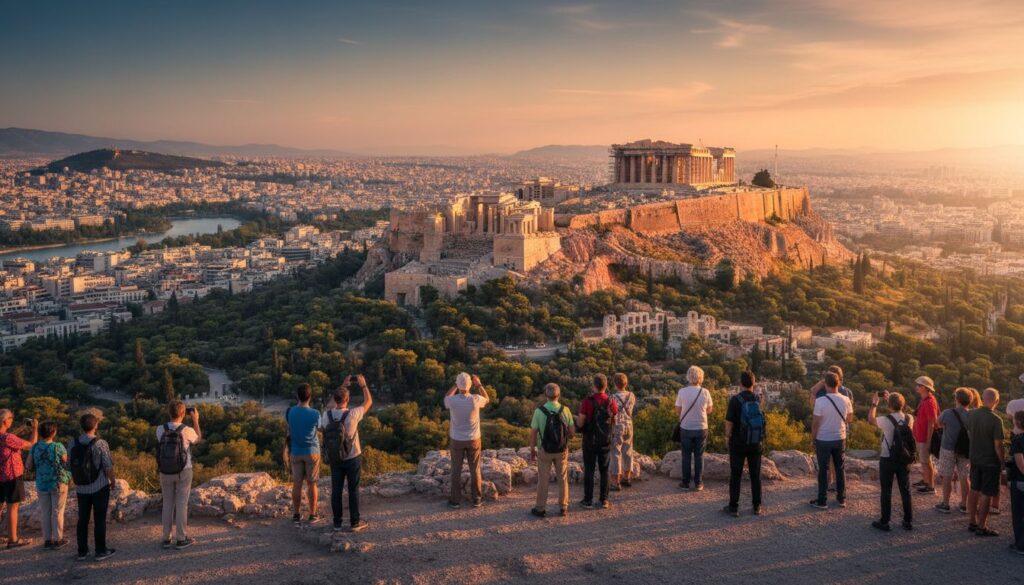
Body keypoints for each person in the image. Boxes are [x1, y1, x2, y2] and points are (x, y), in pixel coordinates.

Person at [320, 375, 371, 532]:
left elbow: (328, 407)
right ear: (347, 400)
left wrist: (343, 386)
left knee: (336, 490)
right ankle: (355, 522)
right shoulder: (353, 414)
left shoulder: (326, 416)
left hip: (335, 457)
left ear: (335, 400)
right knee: (353, 489)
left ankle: (337, 523)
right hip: (352, 456)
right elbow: (368, 402)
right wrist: (363, 385)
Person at [69, 411, 116, 561]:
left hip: (81, 488)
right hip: (99, 486)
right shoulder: (101, 443)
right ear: (96, 425)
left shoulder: (72, 443)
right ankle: (100, 551)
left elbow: (69, 465)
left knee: (82, 518)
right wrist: (113, 481)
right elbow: (108, 466)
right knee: (99, 519)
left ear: (81, 426)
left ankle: (82, 551)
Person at [155, 400, 201, 549]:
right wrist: (195, 420)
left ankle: (165, 538)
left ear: (169, 413)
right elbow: (198, 439)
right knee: (181, 504)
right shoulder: (187, 430)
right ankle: (181, 538)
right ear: (183, 414)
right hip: (183, 471)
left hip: (165, 471)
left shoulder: (159, 429)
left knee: (168, 503)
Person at [869, 391, 914, 531]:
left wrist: (874, 403)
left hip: (887, 458)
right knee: (905, 490)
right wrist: (893, 401)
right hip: (904, 458)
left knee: (886, 490)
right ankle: (907, 521)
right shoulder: (909, 418)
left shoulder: (885, 420)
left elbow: (871, 419)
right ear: (903, 404)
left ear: (889, 406)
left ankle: (885, 522)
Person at [528, 383, 575, 518]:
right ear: (558, 395)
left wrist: (532, 448)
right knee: (562, 478)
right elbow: (572, 433)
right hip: (561, 450)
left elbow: (533, 432)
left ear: (546, 395)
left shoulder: (539, 411)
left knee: (543, 479)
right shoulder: (565, 410)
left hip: (544, 450)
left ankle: (540, 508)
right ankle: (563, 507)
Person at [723, 371, 765, 517]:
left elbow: (729, 422)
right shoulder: (758, 399)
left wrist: (727, 437)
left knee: (736, 474)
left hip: (738, 443)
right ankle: (757, 506)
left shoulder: (735, 400)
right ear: (754, 383)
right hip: (755, 442)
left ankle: (734, 507)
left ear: (740, 383)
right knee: (755, 475)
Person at [444, 372, 489, 509]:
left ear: (458, 385)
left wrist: (455, 385)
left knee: (456, 469)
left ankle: (455, 501)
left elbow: (446, 397)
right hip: (474, 439)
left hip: (456, 439)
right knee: (475, 468)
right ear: (470, 385)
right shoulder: (476, 399)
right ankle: (477, 499)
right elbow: (487, 398)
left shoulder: (452, 401)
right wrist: (479, 384)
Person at [810, 372, 852, 509]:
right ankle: (842, 499)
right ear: (838, 384)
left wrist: (813, 438)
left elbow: (816, 422)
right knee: (840, 468)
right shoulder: (846, 399)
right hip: (840, 438)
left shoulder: (820, 401)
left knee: (823, 469)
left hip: (823, 438)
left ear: (826, 384)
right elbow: (849, 419)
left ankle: (822, 501)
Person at [966, 387, 1005, 537]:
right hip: (990, 461)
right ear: (996, 401)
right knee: (987, 493)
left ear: (982, 398)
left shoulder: (971, 415)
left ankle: (972, 522)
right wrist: (1002, 461)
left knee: (974, 489)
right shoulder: (996, 420)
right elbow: (998, 445)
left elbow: (969, 433)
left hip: (975, 458)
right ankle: (982, 526)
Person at [576, 374, 618, 509]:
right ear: (605, 386)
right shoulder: (611, 402)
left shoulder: (587, 402)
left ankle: (588, 500)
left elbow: (581, 421)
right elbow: (613, 418)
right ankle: (604, 500)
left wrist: (578, 425)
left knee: (589, 469)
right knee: (604, 470)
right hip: (605, 440)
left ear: (593, 386)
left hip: (590, 440)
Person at [26, 420, 70, 549]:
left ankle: (47, 540)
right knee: (57, 511)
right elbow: (66, 463)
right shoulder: (58, 446)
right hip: (57, 483)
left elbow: (28, 465)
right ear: (53, 433)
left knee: (45, 512)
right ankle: (58, 540)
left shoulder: (34, 447)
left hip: (41, 483)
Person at [0, 410, 38, 550]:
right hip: (11, 475)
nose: (12, 420)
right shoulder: (7, 438)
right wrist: (34, 429)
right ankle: (13, 539)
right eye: (11, 418)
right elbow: (31, 444)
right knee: (13, 507)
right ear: (5, 421)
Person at [285, 383, 321, 524]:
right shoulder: (315, 413)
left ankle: (296, 514)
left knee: (297, 483)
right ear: (310, 397)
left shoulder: (290, 412)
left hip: (295, 451)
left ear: (297, 396)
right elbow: (321, 428)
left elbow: (288, 427)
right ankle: (312, 514)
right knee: (312, 484)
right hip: (312, 451)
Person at [675, 366, 713, 491]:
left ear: (688, 377)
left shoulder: (682, 392)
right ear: (701, 378)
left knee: (685, 455)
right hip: (701, 427)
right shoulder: (705, 392)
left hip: (685, 427)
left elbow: (678, 410)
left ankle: (685, 483)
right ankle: (698, 483)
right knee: (699, 456)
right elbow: (709, 410)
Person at [935, 388, 972, 513]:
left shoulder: (948, 413)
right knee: (964, 476)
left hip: (948, 448)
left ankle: (945, 504)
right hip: (965, 449)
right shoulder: (972, 415)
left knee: (947, 476)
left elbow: (938, 424)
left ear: (956, 399)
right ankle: (964, 504)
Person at [912, 376, 940, 494]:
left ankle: (930, 486)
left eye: (918, 385)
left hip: (924, 437)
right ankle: (926, 481)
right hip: (920, 436)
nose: (916, 387)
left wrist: (928, 441)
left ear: (924, 388)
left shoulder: (929, 402)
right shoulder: (924, 399)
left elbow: (932, 422)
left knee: (926, 461)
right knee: (924, 461)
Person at [609, 373, 636, 491]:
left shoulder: (612, 397)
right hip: (629, 425)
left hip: (617, 426)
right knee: (628, 451)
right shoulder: (632, 395)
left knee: (615, 453)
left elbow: (611, 413)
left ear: (615, 384)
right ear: (626, 383)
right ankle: (627, 477)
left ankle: (615, 482)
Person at [1009, 409, 1024, 554]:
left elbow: (1020, 465)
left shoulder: (1018, 441)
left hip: (1020, 481)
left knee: (1019, 514)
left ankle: (1020, 544)